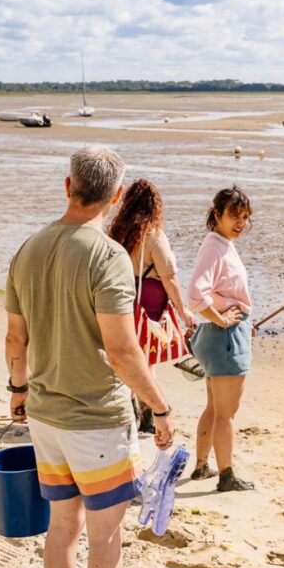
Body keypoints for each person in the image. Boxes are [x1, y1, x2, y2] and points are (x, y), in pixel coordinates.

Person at [4, 145, 176, 568]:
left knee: (62, 526)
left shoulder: (28, 249)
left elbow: (16, 341)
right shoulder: (108, 257)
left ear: (68, 186)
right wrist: (161, 409)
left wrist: (18, 391)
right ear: (116, 195)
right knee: (105, 539)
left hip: (46, 416)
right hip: (96, 420)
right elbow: (123, 352)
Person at [106, 179, 196, 434]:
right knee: (147, 360)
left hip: (121, 298)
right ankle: (147, 413)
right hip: (150, 303)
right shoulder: (154, 235)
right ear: (155, 207)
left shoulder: (117, 232)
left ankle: (134, 407)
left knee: (127, 355)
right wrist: (183, 310)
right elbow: (169, 277)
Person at [185, 186, 255, 492]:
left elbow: (215, 292)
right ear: (217, 215)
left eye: (245, 217)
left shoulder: (221, 242)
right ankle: (227, 476)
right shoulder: (215, 246)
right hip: (224, 338)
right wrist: (223, 318)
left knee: (214, 407)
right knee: (226, 413)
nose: (241, 222)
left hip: (219, 336)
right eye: (234, 216)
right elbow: (194, 294)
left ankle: (201, 467)